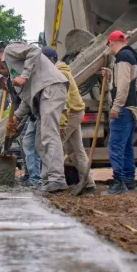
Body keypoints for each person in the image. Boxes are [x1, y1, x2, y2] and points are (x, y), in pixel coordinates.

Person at [0, 41, 69, 192]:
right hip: (43, 92)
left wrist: (24, 76)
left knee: (49, 135)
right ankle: (48, 180)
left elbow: (34, 50)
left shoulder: (10, 51)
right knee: (39, 142)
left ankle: (57, 179)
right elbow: (27, 97)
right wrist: (16, 117)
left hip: (50, 87)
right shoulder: (13, 69)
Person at [44, 46, 96, 195]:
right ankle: (89, 183)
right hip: (76, 111)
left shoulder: (58, 73)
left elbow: (63, 101)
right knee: (75, 149)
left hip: (71, 113)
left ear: (49, 59)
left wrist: (62, 123)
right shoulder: (60, 70)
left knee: (56, 145)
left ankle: (56, 181)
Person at [102, 31, 137, 195]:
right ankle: (128, 180)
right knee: (126, 146)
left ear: (111, 42)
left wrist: (116, 107)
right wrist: (111, 76)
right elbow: (126, 81)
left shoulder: (123, 57)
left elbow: (124, 86)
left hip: (123, 108)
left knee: (116, 145)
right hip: (130, 108)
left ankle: (119, 182)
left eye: (108, 45)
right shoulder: (131, 56)